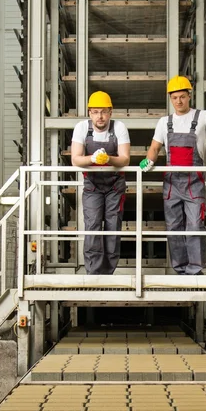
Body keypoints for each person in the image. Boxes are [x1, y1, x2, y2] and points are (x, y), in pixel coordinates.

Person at [139, 76, 206, 275]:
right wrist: (149, 160)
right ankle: (179, 269)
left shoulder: (203, 117)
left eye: (182, 97)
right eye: (175, 98)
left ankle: (195, 269)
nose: (178, 101)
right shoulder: (164, 122)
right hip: (172, 183)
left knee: (195, 224)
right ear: (170, 99)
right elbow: (154, 147)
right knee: (174, 227)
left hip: (194, 181)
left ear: (189, 96)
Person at [71, 91, 130, 275]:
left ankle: (109, 272)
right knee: (93, 226)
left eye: (104, 111)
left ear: (110, 112)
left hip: (115, 187)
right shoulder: (81, 128)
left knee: (113, 227)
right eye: (95, 112)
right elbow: (75, 159)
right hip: (92, 187)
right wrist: (93, 159)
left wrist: (109, 160)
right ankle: (94, 272)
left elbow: (125, 159)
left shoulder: (119, 127)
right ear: (89, 113)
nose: (100, 116)